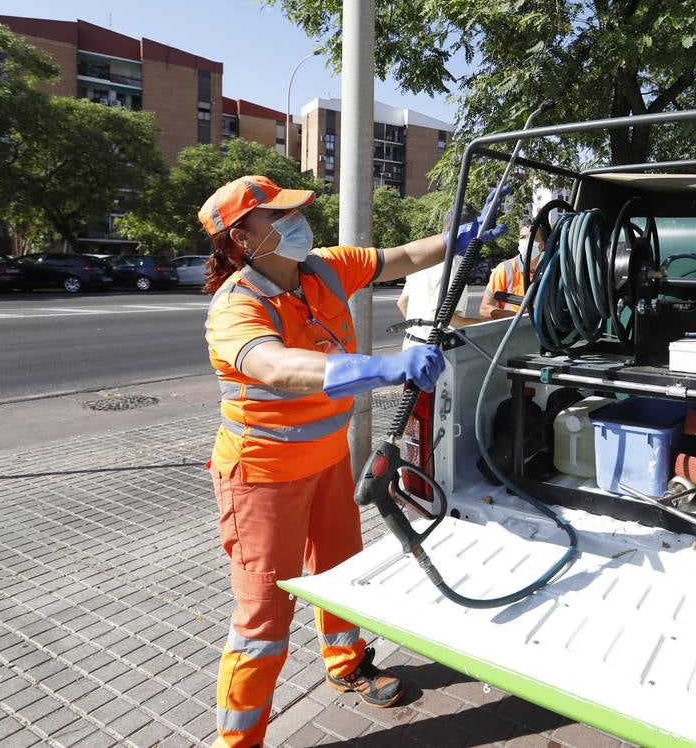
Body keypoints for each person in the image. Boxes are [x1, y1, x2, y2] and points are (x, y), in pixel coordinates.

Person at [198, 175, 504, 747]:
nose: (297, 223)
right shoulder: (235, 306)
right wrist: (385, 366)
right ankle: (238, 743)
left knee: (341, 576)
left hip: (326, 463)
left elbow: (404, 256)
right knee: (263, 622)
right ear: (243, 238)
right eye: (280, 217)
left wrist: (464, 238)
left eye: (295, 212)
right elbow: (276, 368)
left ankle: (346, 665)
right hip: (261, 479)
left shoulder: (325, 268)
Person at [396, 203, 483, 349]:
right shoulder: (454, 263)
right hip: (435, 349)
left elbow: (403, 303)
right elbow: (447, 320)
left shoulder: (423, 256)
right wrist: (484, 324)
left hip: (410, 345)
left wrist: (420, 330)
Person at [479, 214, 551, 319]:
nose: (526, 242)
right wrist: (521, 318)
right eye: (522, 237)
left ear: (543, 244)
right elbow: (484, 309)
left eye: (532, 238)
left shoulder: (552, 270)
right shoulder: (505, 269)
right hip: (512, 332)